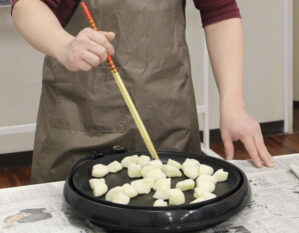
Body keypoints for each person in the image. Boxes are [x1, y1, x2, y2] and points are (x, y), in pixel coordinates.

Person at [11, 0, 273, 184]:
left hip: (168, 118)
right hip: (81, 122)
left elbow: (220, 10)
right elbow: (27, 5)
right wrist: (66, 45)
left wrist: (233, 105)